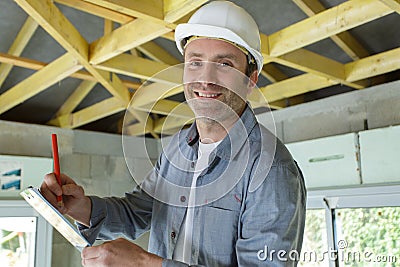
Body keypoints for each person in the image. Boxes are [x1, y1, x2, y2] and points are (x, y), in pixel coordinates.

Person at [41, 1, 306, 266]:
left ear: (250, 80)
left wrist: (145, 263)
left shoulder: (271, 168)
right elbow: (138, 210)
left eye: (224, 64)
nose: (206, 79)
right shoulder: (179, 147)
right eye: (195, 62)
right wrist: (81, 207)